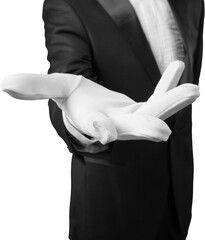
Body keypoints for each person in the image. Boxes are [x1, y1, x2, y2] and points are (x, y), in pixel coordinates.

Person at [41, 0, 204, 239]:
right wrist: (83, 123)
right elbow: (69, 84)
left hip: (177, 191)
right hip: (112, 199)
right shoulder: (68, 3)